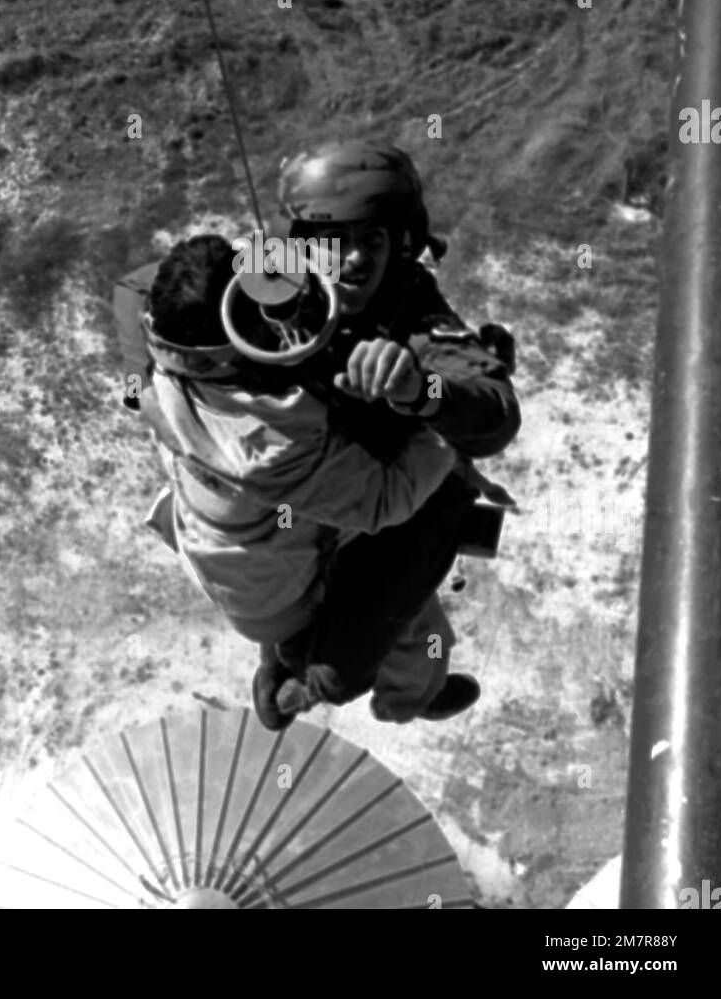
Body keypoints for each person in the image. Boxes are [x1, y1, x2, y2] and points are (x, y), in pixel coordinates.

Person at [113, 140, 520, 728]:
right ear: (301, 242)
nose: (352, 260)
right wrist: (433, 421)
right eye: (335, 242)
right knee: (417, 597)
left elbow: (495, 415)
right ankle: (390, 695)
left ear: (401, 242)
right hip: (323, 530)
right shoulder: (260, 294)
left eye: (371, 240)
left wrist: (423, 389)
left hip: (262, 537)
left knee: (386, 600)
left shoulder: (391, 314)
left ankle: (295, 663)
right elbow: (389, 498)